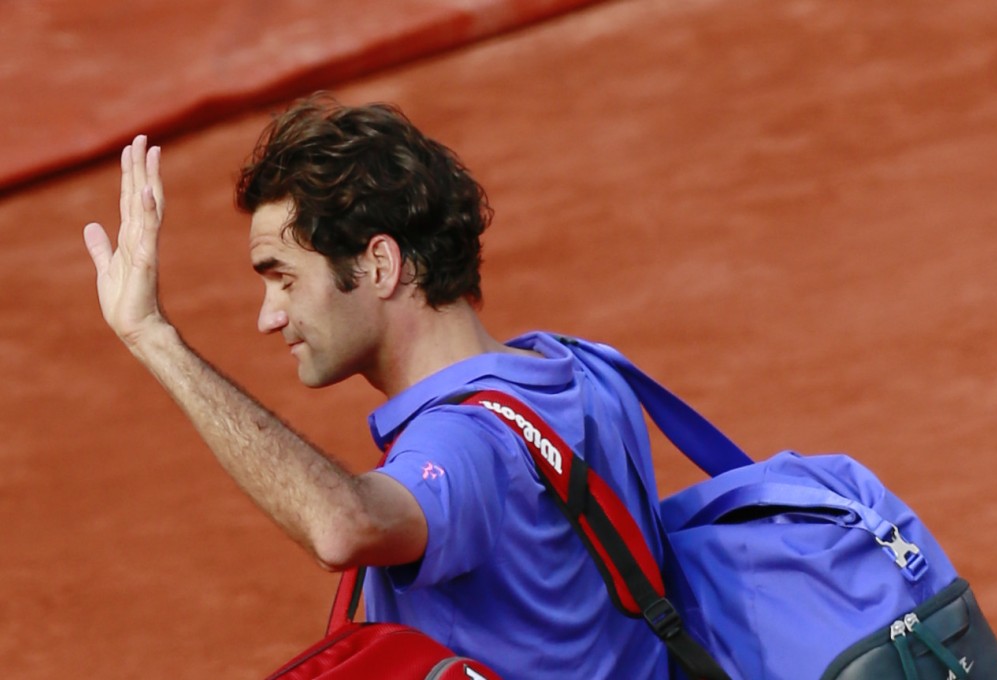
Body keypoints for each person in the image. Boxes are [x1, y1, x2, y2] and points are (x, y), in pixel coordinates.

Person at [82, 93, 671, 678]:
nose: (269, 317)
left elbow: (345, 528)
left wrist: (153, 337)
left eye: (284, 279)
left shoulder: (461, 443)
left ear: (380, 266)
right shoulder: (577, 368)